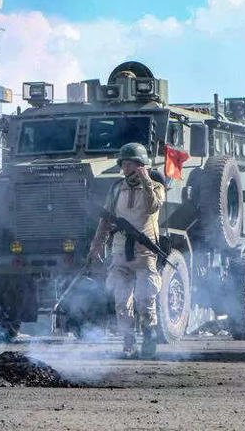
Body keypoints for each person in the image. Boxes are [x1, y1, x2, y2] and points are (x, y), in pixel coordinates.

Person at [88, 142, 165, 359]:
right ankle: (128, 343)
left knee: (145, 299)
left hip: (144, 252)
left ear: (141, 164)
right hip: (120, 251)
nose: (125, 168)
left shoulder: (156, 187)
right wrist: (96, 245)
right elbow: (105, 220)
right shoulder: (116, 189)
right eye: (123, 164)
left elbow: (153, 206)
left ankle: (149, 339)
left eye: (130, 164)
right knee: (121, 301)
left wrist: (146, 181)